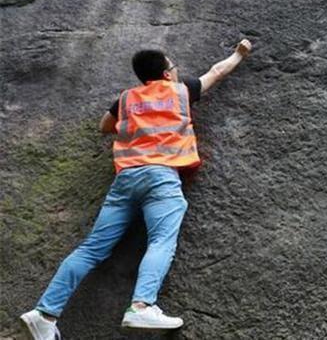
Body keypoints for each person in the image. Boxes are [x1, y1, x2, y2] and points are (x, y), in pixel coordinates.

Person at [20, 39, 252, 339]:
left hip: (126, 179)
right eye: (174, 67)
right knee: (161, 241)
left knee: (92, 249)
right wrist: (239, 54)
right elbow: (217, 72)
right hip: (160, 176)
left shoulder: (126, 99)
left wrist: (137, 125)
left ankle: (45, 313)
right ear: (167, 74)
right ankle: (142, 306)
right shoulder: (180, 91)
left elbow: (105, 126)